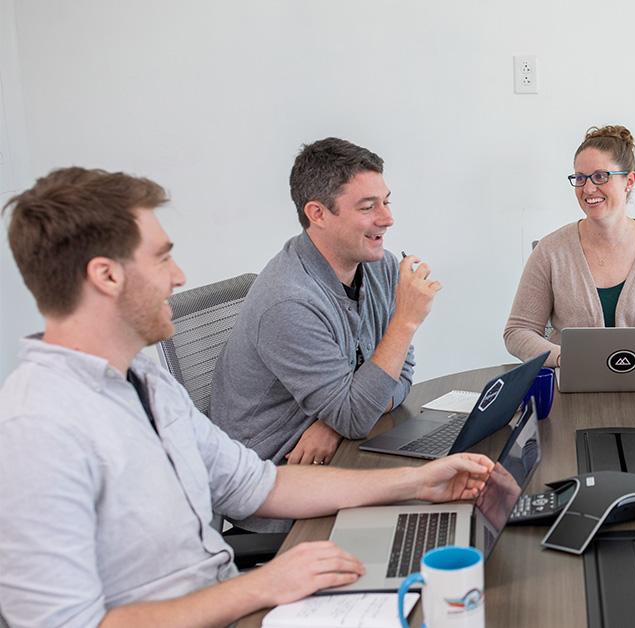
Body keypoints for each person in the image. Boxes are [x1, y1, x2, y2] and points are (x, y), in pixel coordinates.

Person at [0, 167, 493, 628]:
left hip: (227, 601)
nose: (178, 276)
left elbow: (258, 484)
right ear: (106, 276)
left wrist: (417, 482)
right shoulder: (37, 428)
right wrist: (265, 583)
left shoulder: (143, 382)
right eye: (162, 258)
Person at [210, 138, 440, 532]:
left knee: (449, 483)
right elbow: (357, 414)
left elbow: (401, 374)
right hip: (279, 479)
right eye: (367, 207)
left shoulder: (381, 266)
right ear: (317, 213)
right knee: (423, 514)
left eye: (386, 202)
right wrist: (404, 322)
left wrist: (336, 421)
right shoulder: (288, 300)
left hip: (341, 446)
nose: (387, 219)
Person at [503, 125, 635, 367]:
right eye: (580, 178)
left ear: (629, 181)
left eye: (600, 176)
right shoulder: (550, 251)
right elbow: (518, 331)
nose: (588, 188)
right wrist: (564, 358)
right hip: (571, 382)